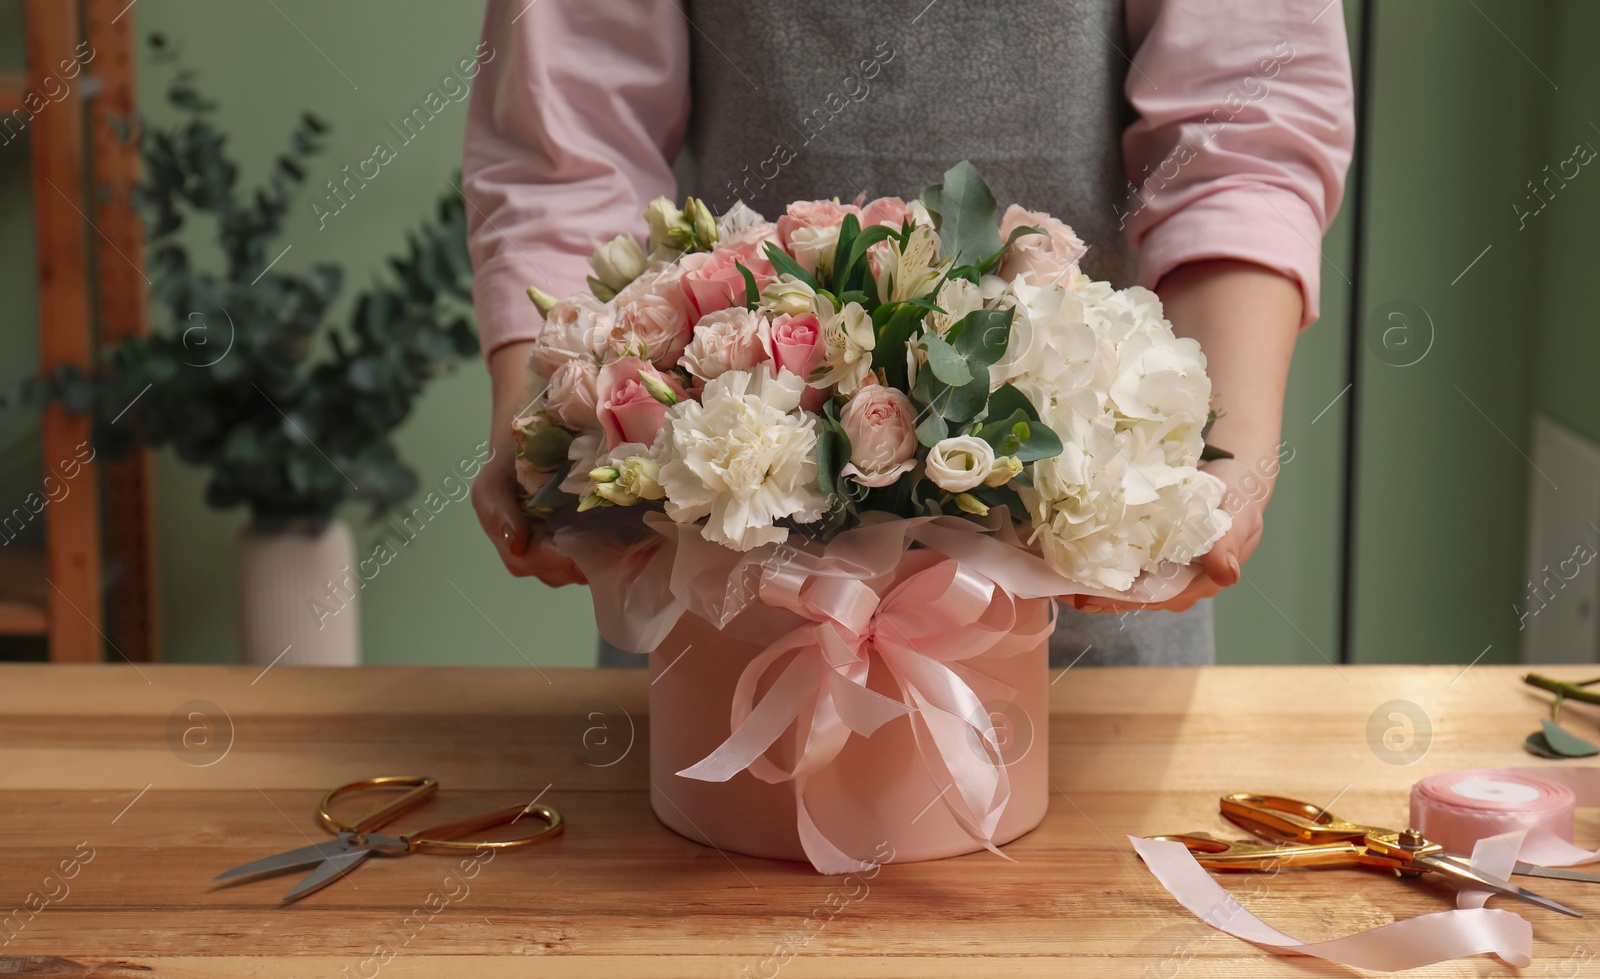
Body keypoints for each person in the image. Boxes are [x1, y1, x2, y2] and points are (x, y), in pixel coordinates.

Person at [463, 0, 1355, 667]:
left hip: (1099, 597)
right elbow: (568, 146)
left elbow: (1243, 129)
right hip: (718, 577)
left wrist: (1224, 464)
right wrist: (549, 419)